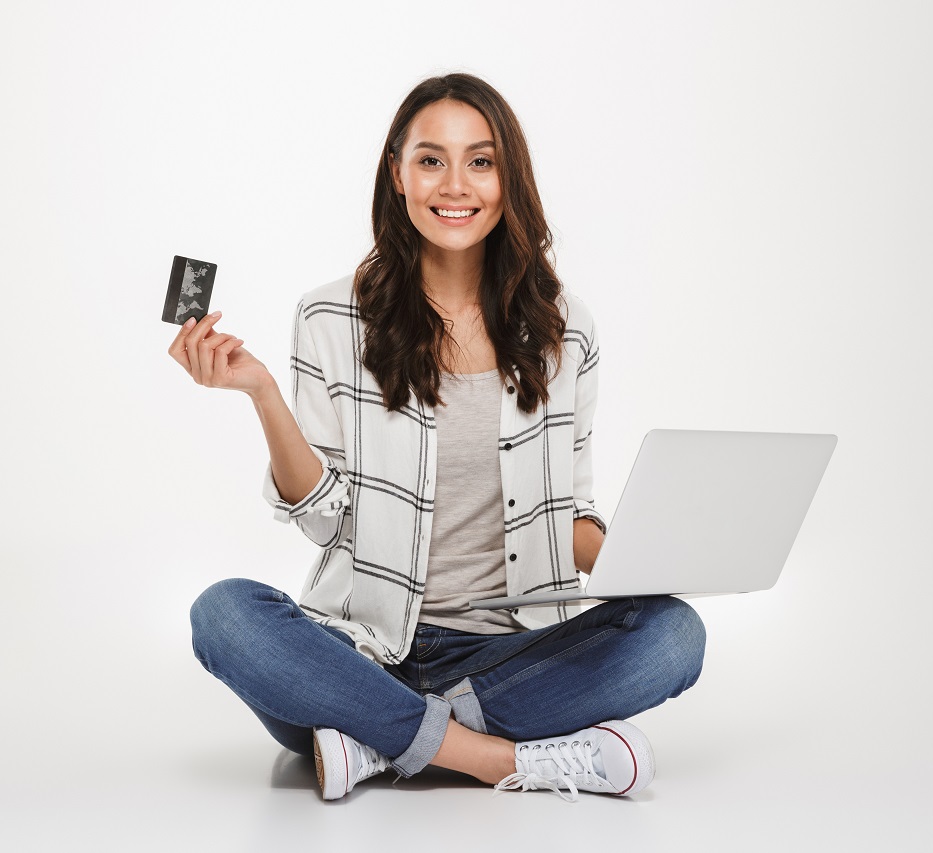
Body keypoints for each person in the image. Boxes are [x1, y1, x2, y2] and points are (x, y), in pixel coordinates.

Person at [171, 73, 706, 802]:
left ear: (507, 176)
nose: (455, 185)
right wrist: (262, 392)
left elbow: (571, 514)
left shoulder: (564, 328)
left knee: (674, 635)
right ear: (398, 173)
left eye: (480, 161)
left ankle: (378, 741)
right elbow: (326, 518)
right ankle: (492, 756)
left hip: (513, 648)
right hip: (361, 646)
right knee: (223, 613)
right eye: (431, 160)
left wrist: (645, 560)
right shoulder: (330, 317)